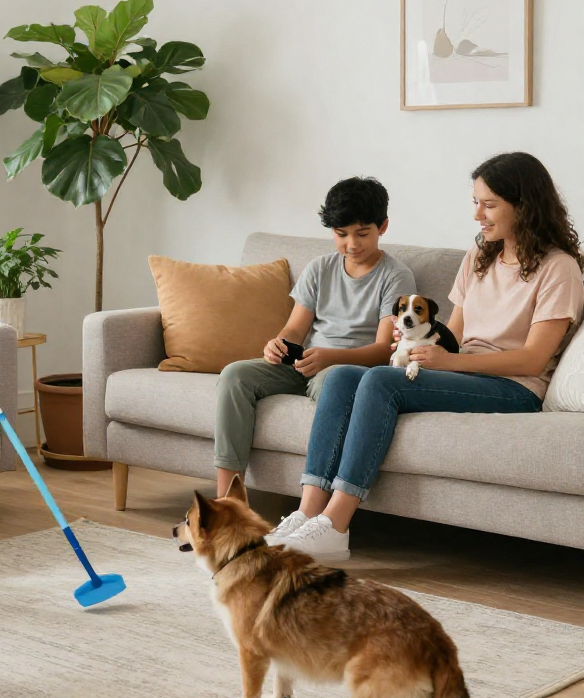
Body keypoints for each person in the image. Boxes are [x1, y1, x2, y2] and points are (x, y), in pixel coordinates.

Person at [284, 152, 584, 561]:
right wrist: (418, 347)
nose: (477, 213)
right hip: (461, 371)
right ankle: (306, 514)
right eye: (475, 201)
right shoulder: (480, 255)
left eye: (489, 204)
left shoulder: (559, 268)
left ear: (525, 206)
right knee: (340, 376)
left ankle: (335, 526)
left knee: (379, 381)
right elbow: (451, 335)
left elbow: (533, 360)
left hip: (514, 387)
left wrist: (448, 362)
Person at [215, 177, 415, 498]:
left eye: (362, 233)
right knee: (235, 375)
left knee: (330, 383)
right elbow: (296, 328)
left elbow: (382, 351)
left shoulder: (395, 276)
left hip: (347, 372)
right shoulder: (319, 268)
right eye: (341, 234)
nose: (351, 244)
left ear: (383, 227)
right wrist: (278, 344)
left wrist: (329, 357)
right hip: (307, 362)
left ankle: (322, 496)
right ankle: (227, 500)